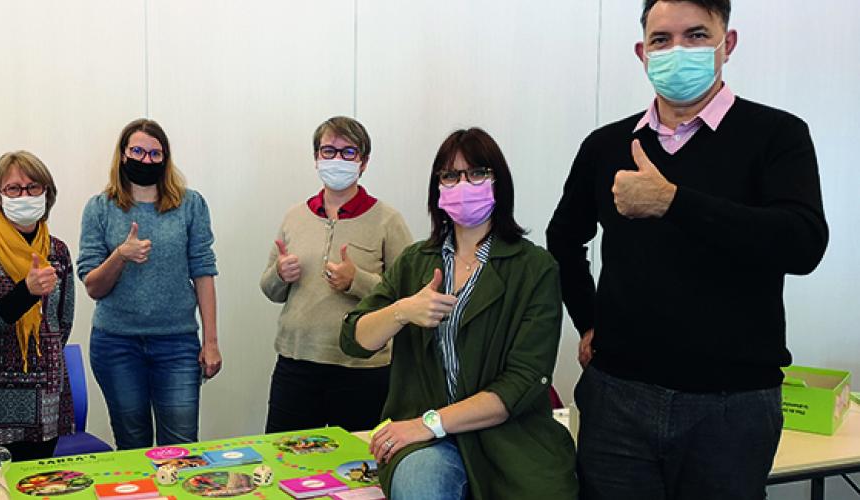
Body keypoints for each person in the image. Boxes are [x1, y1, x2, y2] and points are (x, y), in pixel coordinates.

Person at [545, 1, 829, 498]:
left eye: (697, 35)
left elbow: (802, 243)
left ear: (728, 43)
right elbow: (564, 238)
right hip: (619, 399)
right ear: (642, 52)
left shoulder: (777, 135)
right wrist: (589, 320)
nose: (678, 50)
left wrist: (673, 201)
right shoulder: (606, 145)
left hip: (732, 406)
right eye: (662, 40)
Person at [340, 128, 577, 499]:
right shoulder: (417, 261)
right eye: (450, 176)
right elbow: (356, 339)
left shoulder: (534, 268)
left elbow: (523, 381)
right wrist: (403, 311)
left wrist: (429, 423)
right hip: (425, 443)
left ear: (500, 183)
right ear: (438, 188)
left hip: (509, 436)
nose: (463, 184)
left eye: (477, 173)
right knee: (421, 484)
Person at [260, 116, 412, 433]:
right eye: (328, 151)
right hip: (297, 362)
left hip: (362, 368)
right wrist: (280, 273)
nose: (336, 160)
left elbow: (407, 296)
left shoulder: (387, 220)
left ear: (363, 162)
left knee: (358, 470)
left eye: (347, 152)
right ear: (316, 158)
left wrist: (357, 280)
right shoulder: (295, 216)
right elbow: (270, 290)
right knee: (288, 462)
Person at [77, 118, 221, 449]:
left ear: (165, 159)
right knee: (133, 446)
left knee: (181, 446)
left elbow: (203, 271)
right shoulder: (100, 209)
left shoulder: (190, 205)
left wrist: (210, 341)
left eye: (155, 154)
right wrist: (120, 256)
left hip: (177, 343)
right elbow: (93, 286)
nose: (146, 160)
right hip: (116, 344)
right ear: (123, 155)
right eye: (138, 151)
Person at [0, 151, 76, 470]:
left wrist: (43, 357)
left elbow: (63, 321)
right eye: (14, 189)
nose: (25, 195)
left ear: (47, 194)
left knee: (37, 485)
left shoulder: (57, 251)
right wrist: (26, 292)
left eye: (33, 187)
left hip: (45, 390)